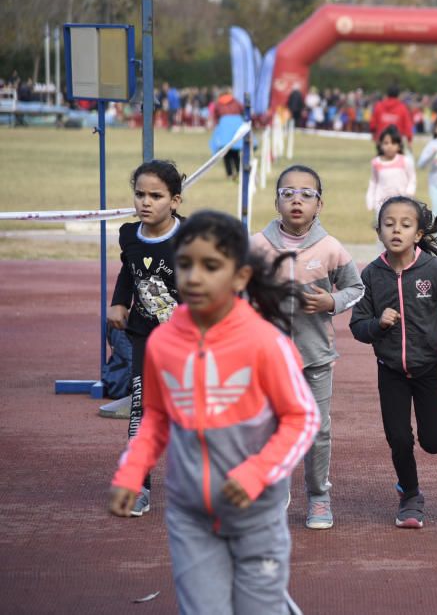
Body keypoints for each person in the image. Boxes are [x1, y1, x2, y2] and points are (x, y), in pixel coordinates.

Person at [109, 210, 318, 615]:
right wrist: (132, 473)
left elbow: (302, 418)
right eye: (185, 264)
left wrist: (257, 473)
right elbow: (155, 418)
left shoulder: (265, 343)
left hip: (256, 513)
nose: (194, 277)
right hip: (191, 515)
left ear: (240, 277)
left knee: (257, 608)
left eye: (211, 266)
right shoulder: (162, 344)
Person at [250, 165, 364, 530]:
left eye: (306, 194)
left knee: (317, 431)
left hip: (315, 358)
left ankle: (318, 496)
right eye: (288, 193)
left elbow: (355, 288)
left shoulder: (330, 248)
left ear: (319, 204)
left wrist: (331, 302)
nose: (296, 200)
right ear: (276, 200)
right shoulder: (256, 246)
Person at [350, 197, 437, 528]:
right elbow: (357, 326)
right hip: (391, 372)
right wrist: (377, 324)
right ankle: (410, 495)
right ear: (379, 231)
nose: (396, 229)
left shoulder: (432, 269)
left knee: (434, 443)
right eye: (389, 224)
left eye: (405, 224)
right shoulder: (371, 275)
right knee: (398, 437)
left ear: (418, 234)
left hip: (429, 368)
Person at [108, 160, 186, 517]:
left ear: (175, 200)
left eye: (156, 195)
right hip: (145, 336)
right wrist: (120, 302)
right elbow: (129, 269)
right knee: (141, 408)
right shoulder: (129, 235)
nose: (146, 202)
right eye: (140, 194)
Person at [367, 125, 417, 225]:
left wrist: (409, 194)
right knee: (383, 230)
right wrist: (370, 200)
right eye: (386, 143)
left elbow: (412, 179)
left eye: (393, 143)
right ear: (380, 144)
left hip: (401, 202)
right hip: (381, 203)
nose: (389, 146)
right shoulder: (376, 162)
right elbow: (373, 181)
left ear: (399, 145)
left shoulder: (405, 161)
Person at [210, 90, 244, 180]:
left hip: (224, 130)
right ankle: (238, 171)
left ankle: (229, 174)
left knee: (225, 153)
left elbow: (215, 116)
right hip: (235, 128)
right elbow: (242, 110)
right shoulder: (235, 101)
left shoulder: (218, 103)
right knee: (236, 152)